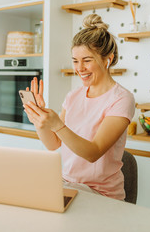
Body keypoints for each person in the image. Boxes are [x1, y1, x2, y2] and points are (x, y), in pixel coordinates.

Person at [23, 14, 135, 201]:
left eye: (87, 60)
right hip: (67, 185)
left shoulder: (122, 99)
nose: (79, 68)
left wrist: (57, 124)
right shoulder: (73, 96)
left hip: (102, 195)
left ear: (108, 59)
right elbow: (53, 144)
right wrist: (39, 119)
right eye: (75, 60)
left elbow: (93, 153)